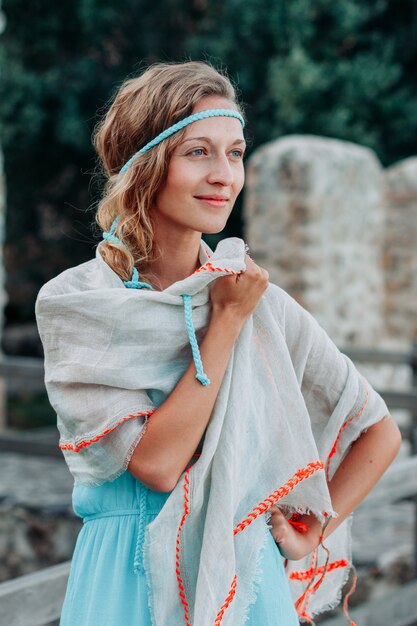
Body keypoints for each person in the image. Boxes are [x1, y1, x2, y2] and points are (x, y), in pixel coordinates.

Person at [35, 61, 401, 626]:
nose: (225, 175)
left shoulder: (260, 301)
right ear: (146, 166)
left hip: (245, 586)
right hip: (123, 585)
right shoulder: (79, 305)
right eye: (199, 152)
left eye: (235, 153)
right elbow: (156, 464)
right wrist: (226, 322)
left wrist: (312, 532)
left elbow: (378, 430)